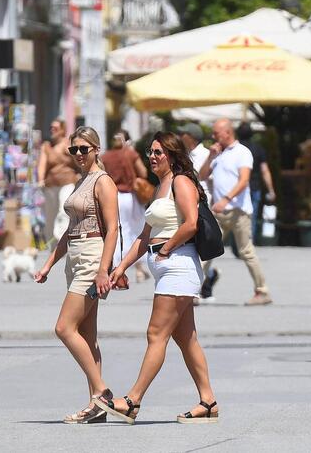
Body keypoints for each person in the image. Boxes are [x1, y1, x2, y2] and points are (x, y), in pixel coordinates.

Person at [98, 132, 219, 424]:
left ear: (173, 155)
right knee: (186, 338)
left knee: (156, 334)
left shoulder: (181, 182)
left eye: (158, 152)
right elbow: (144, 234)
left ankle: (132, 400)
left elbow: (190, 223)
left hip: (178, 265)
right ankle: (209, 401)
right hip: (166, 265)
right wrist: (121, 266)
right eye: (150, 152)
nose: (152, 157)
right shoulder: (160, 186)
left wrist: (165, 248)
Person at [34, 127, 121, 423]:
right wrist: (48, 264)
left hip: (92, 258)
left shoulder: (102, 181)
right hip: (76, 256)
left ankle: (102, 392)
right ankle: (96, 406)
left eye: (85, 149)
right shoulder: (81, 181)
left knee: (64, 327)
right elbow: (69, 231)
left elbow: (113, 229)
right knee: (87, 335)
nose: (80, 154)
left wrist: (103, 270)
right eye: (75, 150)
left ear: (97, 149)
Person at [199, 118, 271, 305]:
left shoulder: (242, 152)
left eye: (216, 133)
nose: (213, 136)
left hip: (238, 211)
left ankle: (262, 291)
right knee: (206, 250)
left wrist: (226, 199)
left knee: (246, 251)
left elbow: (244, 180)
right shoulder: (218, 154)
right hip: (219, 213)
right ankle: (190, 291)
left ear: (227, 133)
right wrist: (210, 157)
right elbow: (202, 176)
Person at [102, 130, 150, 282]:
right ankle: (138, 269)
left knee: (115, 231)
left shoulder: (105, 156)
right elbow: (143, 172)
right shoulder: (130, 153)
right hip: (129, 197)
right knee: (133, 231)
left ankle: (116, 266)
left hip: (112, 196)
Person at [37, 118, 79, 246]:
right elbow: (42, 165)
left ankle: (61, 237)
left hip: (67, 182)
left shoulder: (69, 144)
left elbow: (78, 160)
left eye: (55, 128)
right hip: (50, 185)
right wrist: (40, 180)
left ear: (63, 130)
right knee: (50, 216)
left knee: (63, 210)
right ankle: (52, 244)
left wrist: (80, 174)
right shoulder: (46, 146)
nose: (52, 130)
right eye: (51, 128)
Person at [236, 123, 277, 242]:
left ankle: (237, 243)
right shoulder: (258, 149)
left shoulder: (234, 149)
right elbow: (265, 171)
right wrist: (271, 190)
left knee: (234, 216)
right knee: (251, 217)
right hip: (254, 187)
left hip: (236, 188)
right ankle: (248, 242)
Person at [178, 123, 211, 203]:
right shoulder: (185, 155)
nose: (179, 137)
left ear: (191, 137)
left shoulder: (207, 155)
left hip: (203, 202)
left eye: (182, 134)